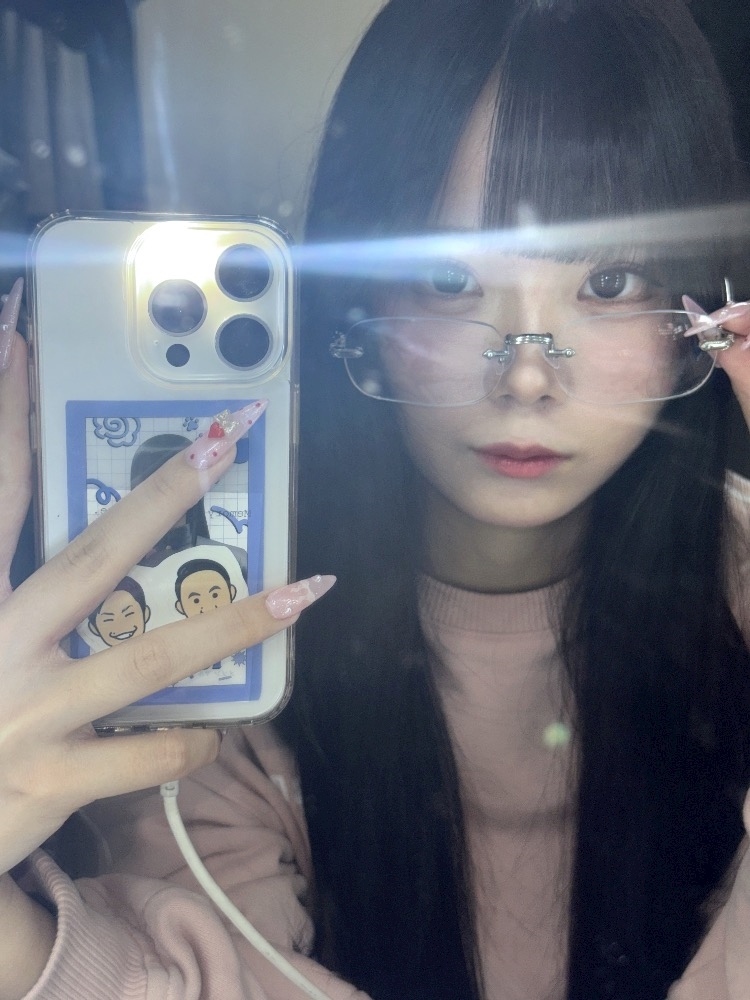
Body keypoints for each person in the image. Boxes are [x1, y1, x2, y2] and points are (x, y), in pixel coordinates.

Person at [4, 1, 750, 999]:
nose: (527, 378)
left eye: (611, 282)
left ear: (698, 311)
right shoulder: (232, 630)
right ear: (355, 300)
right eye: (446, 277)